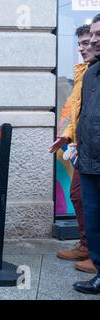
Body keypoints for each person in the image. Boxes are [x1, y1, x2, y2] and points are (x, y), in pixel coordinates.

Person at [49, 24, 97, 274]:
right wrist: (67, 136)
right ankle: (87, 246)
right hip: (86, 148)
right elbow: (81, 114)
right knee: (80, 196)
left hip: (94, 149)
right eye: (80, 43)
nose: (83, 48)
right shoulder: (85, 72)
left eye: (87, 42)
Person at [73, 14, 100, 295]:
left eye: (97, 35)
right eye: (90, 36)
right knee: (93, 221)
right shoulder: (90, 72)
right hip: (88, 160)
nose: (91, 41)